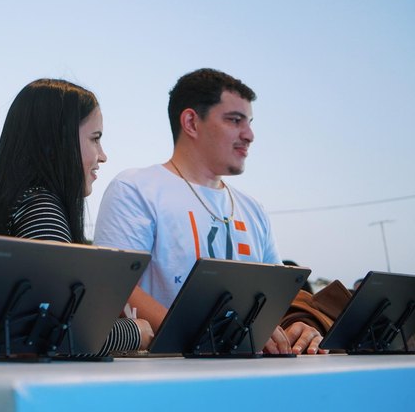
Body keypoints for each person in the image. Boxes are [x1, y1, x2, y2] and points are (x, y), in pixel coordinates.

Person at [94, 68, 324, 355]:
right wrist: (202, 336)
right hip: (163, 377)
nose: (249, 134)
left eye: (249, 122)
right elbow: (115, 286)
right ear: (191, 122)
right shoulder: (136, 188)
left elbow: (276, 298)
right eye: (234, 120)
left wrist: (297, 326)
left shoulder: (253, 209)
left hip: (251, 374)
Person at [0, 79, 153, 355]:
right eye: (95, 139)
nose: (102, 156)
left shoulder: (21, 200)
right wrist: (136, 331)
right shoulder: (40, 207)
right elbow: (56, 333)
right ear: (58, 139)